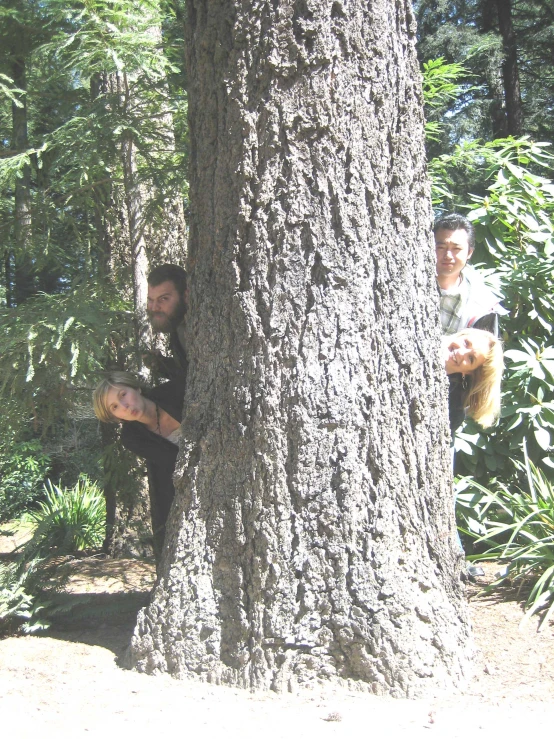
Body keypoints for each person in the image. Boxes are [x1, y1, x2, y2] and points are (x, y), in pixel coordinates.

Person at [93, 371, 185, 561]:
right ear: (116, 416)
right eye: (115, 407)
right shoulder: (133, 438)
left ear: (136, 387)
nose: (125, 407)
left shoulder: (173, 390)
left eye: (123, 395)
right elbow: (174, 462)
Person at [434, 213, 506, 335]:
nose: (448, 255)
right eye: (441, 247)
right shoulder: (408, 284)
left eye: (456, 249)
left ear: (469, 253)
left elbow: (484, 352)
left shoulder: (482, 305)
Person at [443, 328, 504, 433]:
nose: (461, 353)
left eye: (471, 358)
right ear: (461, 334)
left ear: (469, 373)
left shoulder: (450, 410)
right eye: (466, 343)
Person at [146, 264, 188, 380]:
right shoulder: (175, 321)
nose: (154, 308)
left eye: (163, 299)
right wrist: (162, 365)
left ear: (186, 296)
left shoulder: (202, 328)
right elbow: (188, 374)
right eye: (150, 300)